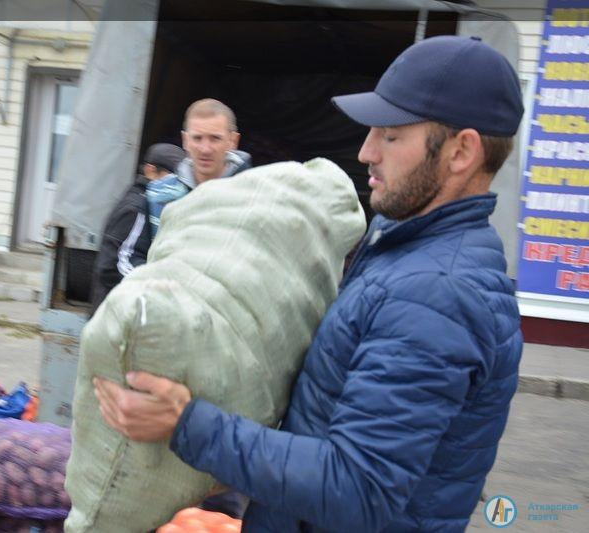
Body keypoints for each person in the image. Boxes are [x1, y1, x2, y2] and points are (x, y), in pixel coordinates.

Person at [94, 35, 524, 532]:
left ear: (461, 152)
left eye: (390, 135)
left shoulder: (437, 293)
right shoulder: (405, 249)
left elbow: (358, 488)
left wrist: (188, 426)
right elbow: (331, 412)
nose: (365, 152)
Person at [91, 99, 252, 312]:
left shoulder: (253, 194)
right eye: (197, 138)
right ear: (185, 140)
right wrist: (163, 292)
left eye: (215, 138)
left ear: (233, 141)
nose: (205, 148)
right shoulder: (157, 195)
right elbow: (126, 258)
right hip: (169, 322)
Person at [90, 142, 186, 313]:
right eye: (170, 176)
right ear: (150, 171)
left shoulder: (150, 203)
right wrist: (157, 289)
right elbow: (112, 265)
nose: (174, 184)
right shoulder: (137, 206)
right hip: (116, 314)